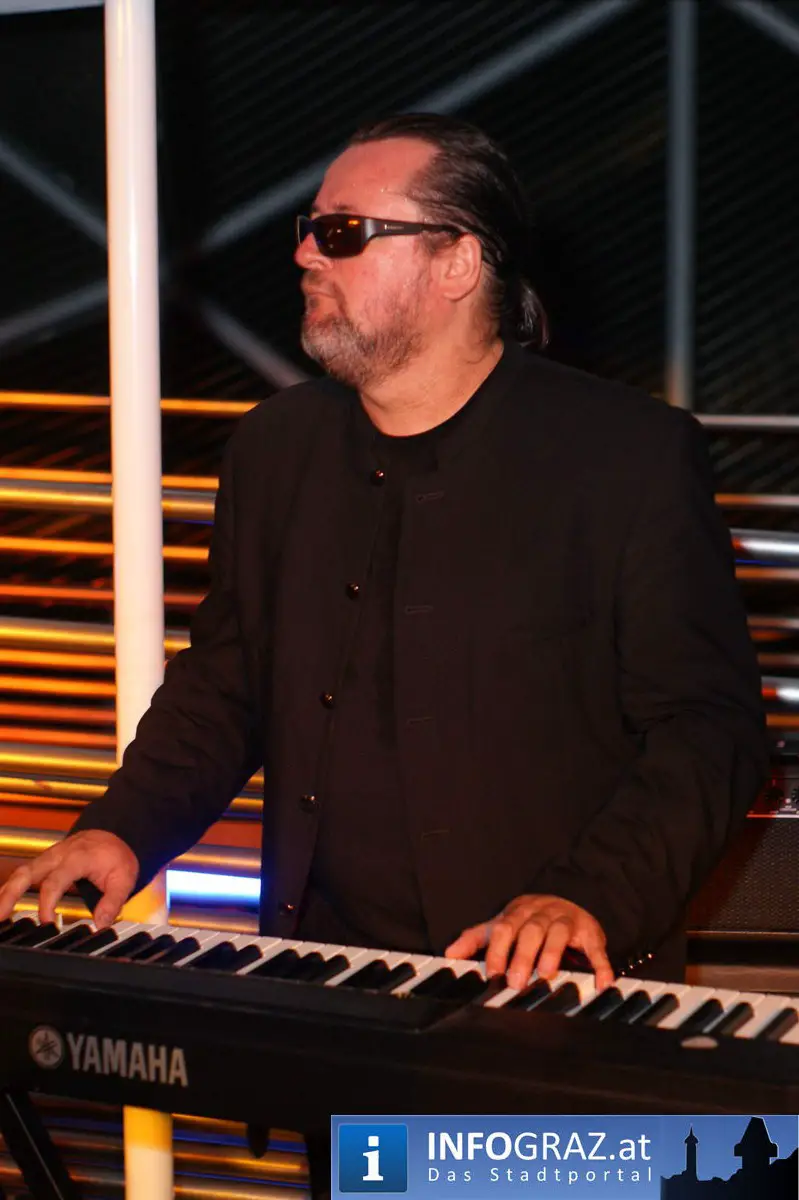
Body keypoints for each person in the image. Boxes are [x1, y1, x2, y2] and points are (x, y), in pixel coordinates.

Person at [0, 113, 767, 992]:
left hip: (541, 988)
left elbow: (707, 728)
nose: (305, 254)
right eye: (309, 230)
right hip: (322, 976)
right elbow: (225, 684)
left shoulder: (627, 456)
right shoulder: (274, 448)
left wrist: (586, 897)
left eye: (342, 233)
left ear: (455, 264)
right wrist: (122, 828)